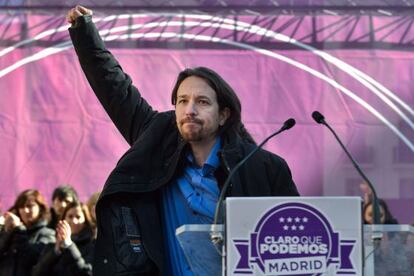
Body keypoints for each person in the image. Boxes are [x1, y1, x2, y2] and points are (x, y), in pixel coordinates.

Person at [67, 5, 299, 276]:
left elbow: (294, 242)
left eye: (202, 102)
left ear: (223, 114)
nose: (190, 109)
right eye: (182, 101)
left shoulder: (262, 167)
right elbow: (116, 89)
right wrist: (84, 33)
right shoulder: (157, 140)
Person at [0, 189, 55, 276]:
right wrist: (7, 231)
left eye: (30, 206)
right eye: (21, 207)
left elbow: (31, 258)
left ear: (40, 208)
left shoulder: (48, 234)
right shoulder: (12, 232)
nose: (25, 210)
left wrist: (18, 229)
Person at [33, 202, 95, 276]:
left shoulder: (93, 245)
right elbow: (37, 273)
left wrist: (69, 245)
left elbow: (87, 273)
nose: (74, 221)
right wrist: (55, 252)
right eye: (70, 216)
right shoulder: (52, 245)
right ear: (63, 220)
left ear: (85, 221)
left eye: (78, 217)